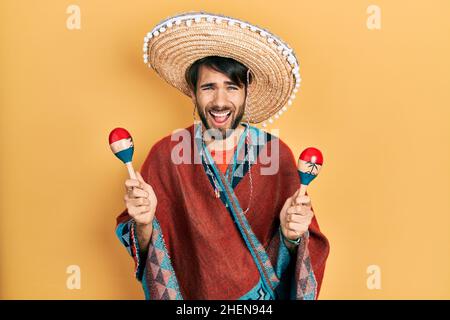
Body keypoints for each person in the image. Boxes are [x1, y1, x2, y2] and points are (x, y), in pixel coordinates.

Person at [115, 12, 329, 300]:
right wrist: (144, 222)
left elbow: (300, 253)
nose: (219, 101)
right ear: (193, 93)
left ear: (246, 93)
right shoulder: (165, 157)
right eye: (208, 87)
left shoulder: (275, 155)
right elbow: (145, 251)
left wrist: (292, 236)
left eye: (231, 87)